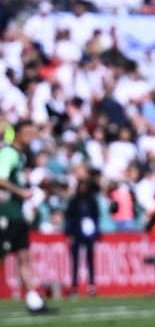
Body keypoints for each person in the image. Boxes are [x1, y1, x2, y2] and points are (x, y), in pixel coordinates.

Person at [0, 121, 55, 314]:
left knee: (24, 257)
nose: (31, 136)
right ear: (16, 134)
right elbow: (1, 179)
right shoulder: (9, 153)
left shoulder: (22, 157)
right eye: (27, 132)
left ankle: (34, 301)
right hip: (6, 213)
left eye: (33, 133)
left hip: (18, 215)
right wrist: (20, 192)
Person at [64, 174, 101, 297]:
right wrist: (69, 233)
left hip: (89, 233)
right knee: (75, 260)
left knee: (90, 260)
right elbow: (69, 217)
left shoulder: (91, 201)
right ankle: (75, 286)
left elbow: (96, 217)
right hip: (77, 232)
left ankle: (91, 286)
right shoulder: (74, 201)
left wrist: (95, 232)